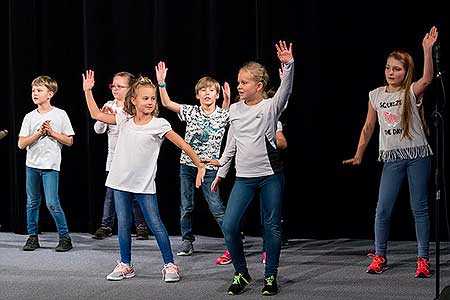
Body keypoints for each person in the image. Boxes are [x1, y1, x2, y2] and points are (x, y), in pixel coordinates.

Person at [82, 70, 206, 282]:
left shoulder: (159, 124)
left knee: (155, 223)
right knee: (123, 224)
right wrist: (88, 91)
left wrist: (199, 165)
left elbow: (183, 144)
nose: (150, 102)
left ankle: (169, 264)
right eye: (145, 98)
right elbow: (96, 114)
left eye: (153, 98)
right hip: (119, 181)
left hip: (143, 184)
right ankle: (125, 264)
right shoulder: (123, 119)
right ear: (134, 100)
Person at [343, 26, 438, 278]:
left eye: (397, 69)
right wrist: (359, 153)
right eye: (388, 68)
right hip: (393, 160)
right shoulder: (375, 95)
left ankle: (423, 259)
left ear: (406, 72)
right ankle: (380, 256)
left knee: (419, 208)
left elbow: (428, 79)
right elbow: (368, 127)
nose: (391, 73)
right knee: (382, 209)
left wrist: (427, 50)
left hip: (417, 156)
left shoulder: (410, 91)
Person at [204, 40, 294, 295]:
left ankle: (269, 277)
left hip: (270, 176)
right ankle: (241, 273)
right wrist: (221, 171)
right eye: (238, 81)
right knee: (230, 225)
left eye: (244, 82)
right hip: (244, 178)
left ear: (259, 86)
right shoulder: (234, 109)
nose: (239, 86)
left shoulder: (269, 107)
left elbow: (286, 91)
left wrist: (289, 65)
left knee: (272, 226)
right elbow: (231, 145)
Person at [155, 61, 232, 264]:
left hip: (210, 168)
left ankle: (232, 242)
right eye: (203, 90)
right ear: (197, 95)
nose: (207, 93)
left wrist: (228, 101)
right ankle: (187, 240)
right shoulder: (191, 111)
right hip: (187, 166)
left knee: (216, 207)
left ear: (217, 94)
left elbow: (233, 137)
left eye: (212, 90)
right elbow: (167, 104)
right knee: (186, 206)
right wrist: (162, 84)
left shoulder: (225, 114)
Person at [18, 75, 74, 252]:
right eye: (33, 90)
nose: (35, 93)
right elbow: (21, 144)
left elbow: (69, 140)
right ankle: (32, 236)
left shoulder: (60, 114)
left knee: (52, 202)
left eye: (39, 90)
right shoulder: (29, 116)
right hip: (32, 165)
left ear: (50, 94)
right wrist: (38, 133)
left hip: (50, 166)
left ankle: (65, 237)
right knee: (32, 202)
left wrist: (51, 133)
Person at [92, 71, 150, 240]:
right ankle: (106, 225)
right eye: (113, 86)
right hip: (114, 159)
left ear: (130, 88)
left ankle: (141, 226)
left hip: (132, 159)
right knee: (111, 194)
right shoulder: (109, 104)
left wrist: (114, 116)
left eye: (120, 86)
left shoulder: (133, 107)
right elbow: (98, 130)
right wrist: (103, 117)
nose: (115, 89)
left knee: (134, 194)